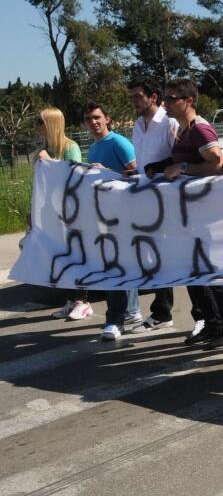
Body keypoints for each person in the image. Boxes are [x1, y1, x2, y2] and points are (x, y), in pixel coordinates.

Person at [157, 78, 223, 351]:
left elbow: (218, 165)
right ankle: (213, 324)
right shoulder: (183, 130)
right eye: (165, 98)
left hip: (205, 213)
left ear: (189, 101)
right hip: (189, 215)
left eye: (171, 98)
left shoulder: (200, 128)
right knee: (194, 271)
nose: (165, 103)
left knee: (211, 270)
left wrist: (182, 167)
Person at [80, 102, 141, 340]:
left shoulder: (119, 143)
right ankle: (131, 312)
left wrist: (108, 172)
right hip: (106, 215)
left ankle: (115, 319)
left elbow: (139, 173)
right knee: (119, 265)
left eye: (97, 117)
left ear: (107, 119)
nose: (93, 122)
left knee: (114, 266)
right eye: (88, 119)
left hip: (124, 214)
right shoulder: (94, 149)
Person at [127, 79, 183, 334]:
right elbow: (140, 164)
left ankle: (203, 315)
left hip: (169, 200)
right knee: (155, 257)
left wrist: (159, 170)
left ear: (153, 97)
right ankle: (162, 312)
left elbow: (179, 158)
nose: (134, 101)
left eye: (138, 96)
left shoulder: (170, 122)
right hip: (146, 200)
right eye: (132, 97)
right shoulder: (137, 126)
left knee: (180, 255)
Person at [35, 108, 91, 321]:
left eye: (40, 121)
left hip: (70, 213)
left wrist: (49, 161)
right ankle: (70, 300)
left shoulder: (70, 147)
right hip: (51, 213)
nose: (37, 126)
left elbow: (74, 179)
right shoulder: (45, 148)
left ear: (51, 123)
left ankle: (82, 301)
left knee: (75, 257)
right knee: (60, 259)